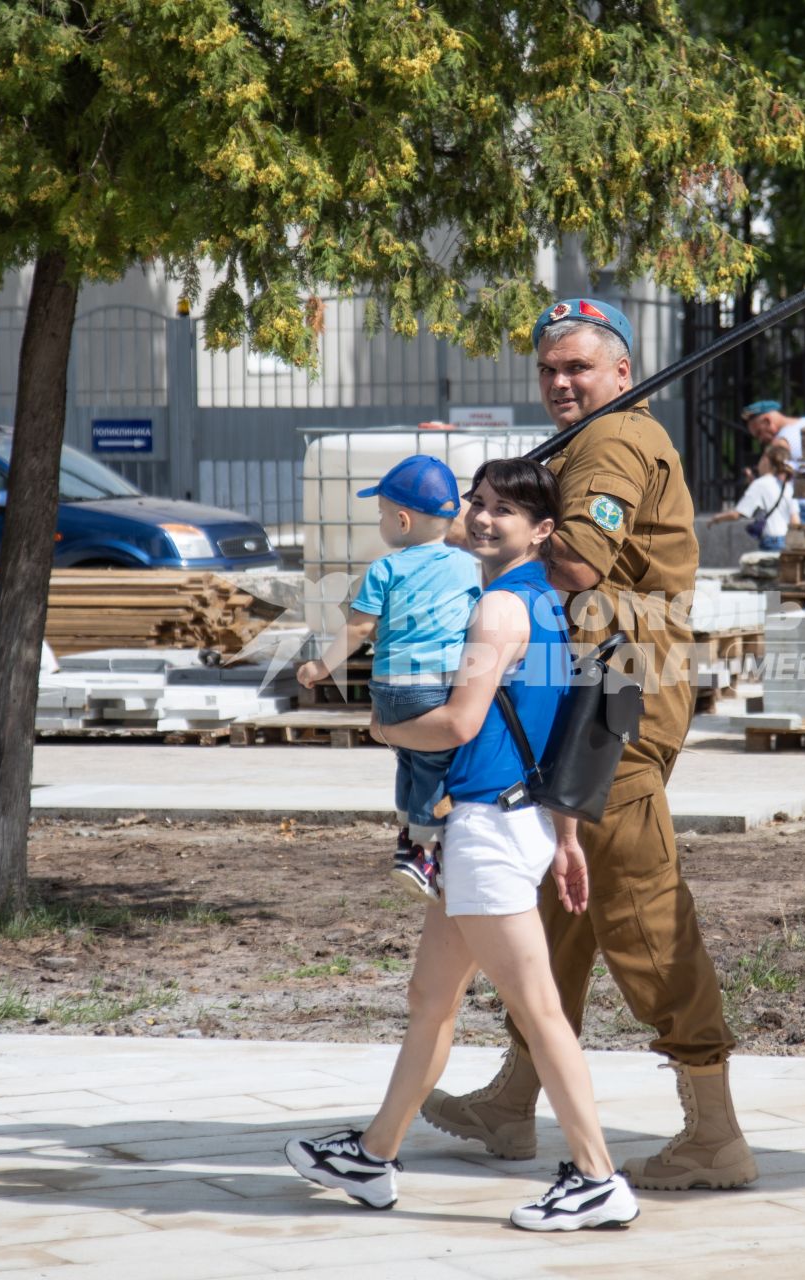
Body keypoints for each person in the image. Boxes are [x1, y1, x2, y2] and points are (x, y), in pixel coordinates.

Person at [424, 297, 758, 1191]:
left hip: (620, 699)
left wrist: (479, 531)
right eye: (549, 369)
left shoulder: (613, 443)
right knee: (555, 904)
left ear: (621, 370)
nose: (562, 383)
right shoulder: (588, 443)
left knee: (637, 906)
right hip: (584, 692)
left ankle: (714, 1130)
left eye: (579, 367)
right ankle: (513, 1100)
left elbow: (574, 564)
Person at [285, 459, 641, 1232]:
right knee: (430, 1001)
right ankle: (373, 1157)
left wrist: (377, 728)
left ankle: (596, 1176)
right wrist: (566, 836)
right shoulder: (546, 604)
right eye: (478, 504)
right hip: (517, 823)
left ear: (542, 531)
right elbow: (550, 726)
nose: (483, 519)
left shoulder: (499, 614)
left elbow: (458, 724)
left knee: (540, 1011)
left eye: (504, 511)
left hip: (484, 829)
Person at [296, 455, 481, 899]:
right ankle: (422, 850)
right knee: (435, 764)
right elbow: (475, 620)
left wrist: (321, 667)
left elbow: (359, 629)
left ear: (401, 520)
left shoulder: (385, 569)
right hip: (436, 685)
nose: (380, 522)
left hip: (390, 688)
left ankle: (408, 835)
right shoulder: (465, 567)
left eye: (381, 514)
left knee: (409, 758)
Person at [741, 400, 805, 523]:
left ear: (767, 421)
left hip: (801, 507)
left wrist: (754, 481)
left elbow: (766, 475)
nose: (760, 440)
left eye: (759, 433)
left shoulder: (780, 441)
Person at [710, 444, 799, 551]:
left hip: (771, 541)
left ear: (766, 460)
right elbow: (795, 519)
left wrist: (716, 519)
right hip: (787, 539)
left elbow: (737, 514)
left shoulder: (760, 484)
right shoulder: (786, 485)